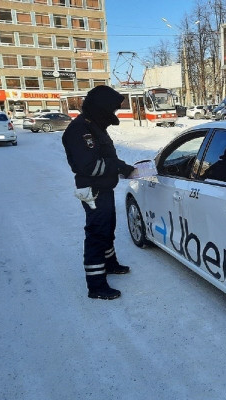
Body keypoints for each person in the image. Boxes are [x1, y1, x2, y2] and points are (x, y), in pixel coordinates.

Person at [62, 85, 135, 300]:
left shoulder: (95, 126)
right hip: (93, 191)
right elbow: (90, 167)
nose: (114, 114)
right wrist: (118, 168)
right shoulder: (80, 130)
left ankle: (110, 264)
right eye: (112, 109)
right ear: (101, 107)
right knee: (96, 234)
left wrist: (121, 165)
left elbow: (107, 157)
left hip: (104, 188)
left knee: (108, 227)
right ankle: (96, 286)